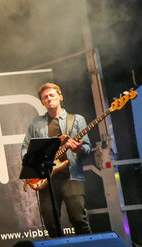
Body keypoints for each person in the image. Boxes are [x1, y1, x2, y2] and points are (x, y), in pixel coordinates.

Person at [21, 82, 92, 237]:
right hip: (46, 180)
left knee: (79, 219)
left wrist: (79, 149)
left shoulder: (77, 119)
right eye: (45, 97)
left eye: (52, 95)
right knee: (51, 223)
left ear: (60, 97)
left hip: (71, 176)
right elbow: (25, 148)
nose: (49, 99)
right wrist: (34, 165)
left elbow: (87, 148)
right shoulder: (36, 123)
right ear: (42, 102)